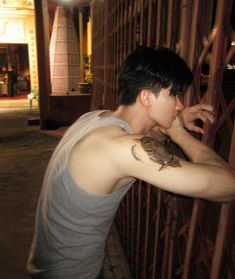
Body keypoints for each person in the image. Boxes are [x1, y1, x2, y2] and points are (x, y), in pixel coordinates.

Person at [27, 46, 235, 279]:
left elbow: (146, 138)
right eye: (174, 95)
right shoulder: (123, 149)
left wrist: (171, 123)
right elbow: (228, 185)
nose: (180, 106)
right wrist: (178, 134)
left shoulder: (96, 119)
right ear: (146, 97)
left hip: (46, 264)